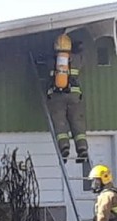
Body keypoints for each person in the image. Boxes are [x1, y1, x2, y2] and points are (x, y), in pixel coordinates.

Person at [46, 33, 89, 162]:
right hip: (74, 96)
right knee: (77, 122)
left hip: (57, 96)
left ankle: (64, 147)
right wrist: (79, 49)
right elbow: (83, 59)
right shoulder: (76, 59)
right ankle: (82, 148)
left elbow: (47, 71)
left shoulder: (51, 61)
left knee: (60, 123)